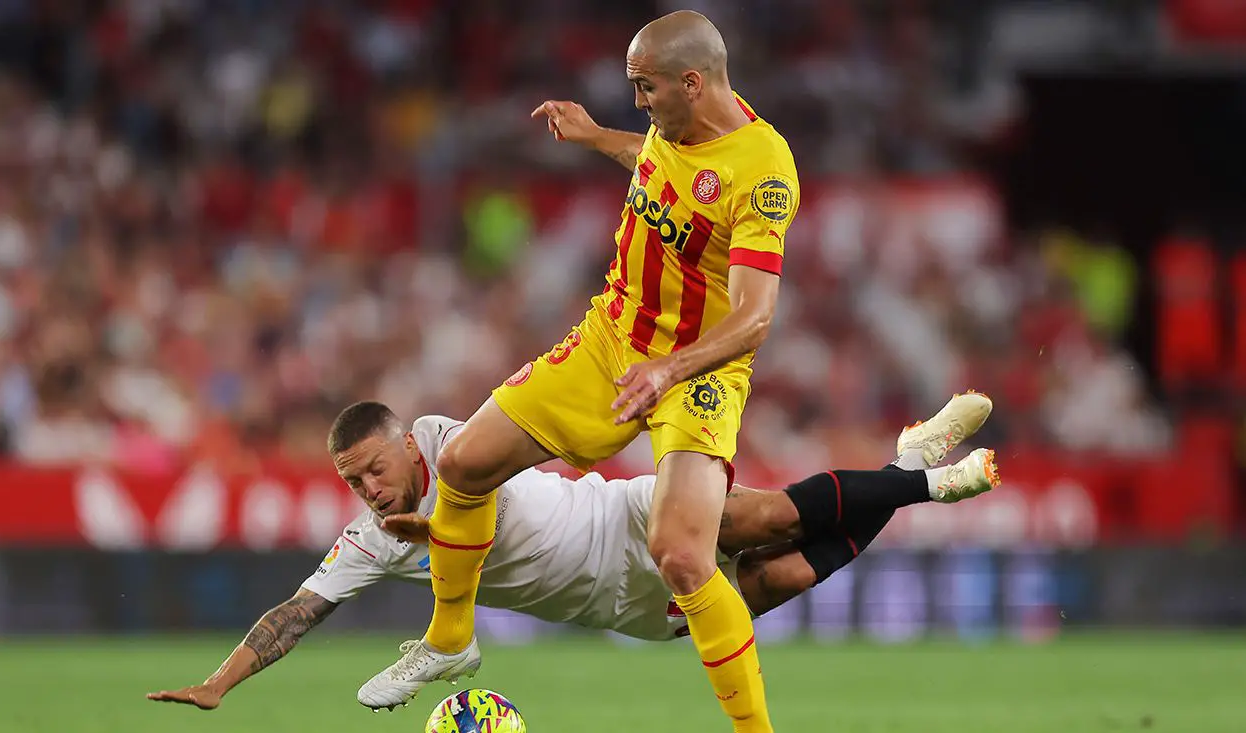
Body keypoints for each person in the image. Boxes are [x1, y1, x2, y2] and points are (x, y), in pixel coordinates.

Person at [376, 11, 803, 731]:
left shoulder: (762, 173)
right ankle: (450, 638)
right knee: (464, 462)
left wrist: (671, 369)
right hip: (611, 340)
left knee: (681, 554)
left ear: (691, 83)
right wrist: (596, 136)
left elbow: (755, 315)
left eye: (645, 87)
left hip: (697, 373)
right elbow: (662, 163)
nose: (639, 101)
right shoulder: (679, 131)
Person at [145, 393, 999, 712]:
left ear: (405, 446)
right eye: (350, 481)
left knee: (769, 517)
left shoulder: (448, 441)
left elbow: (464, 516)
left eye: (372, 469)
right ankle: (908, 463)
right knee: (792, 573)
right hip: (618, 606)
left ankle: (926, 483)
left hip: (620, 519)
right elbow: (298, 610)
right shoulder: (372, 537)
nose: (367, 491)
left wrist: (431, 535)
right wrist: (219, 684)